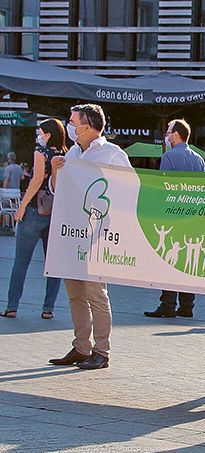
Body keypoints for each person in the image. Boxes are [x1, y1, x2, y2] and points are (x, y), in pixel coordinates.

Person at [48, 103, 132, 370]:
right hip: (71, 234)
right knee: (75, 293)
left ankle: (102, 351)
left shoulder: (112, 154)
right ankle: (81, 347)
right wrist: (55, 170)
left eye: (72, 122)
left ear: (86, 125)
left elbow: (130, 189)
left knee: (96, 293)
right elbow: (56, 191)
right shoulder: (72, 152)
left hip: (97, 235)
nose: (70, 126)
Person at [3, 119, 67, 319]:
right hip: (56, 213)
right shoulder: (66, 154)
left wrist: (21, 207)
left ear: (47, 135)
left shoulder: (41, 152)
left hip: (33, 212)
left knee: (21, 261)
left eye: (41, 132)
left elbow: (37, 179)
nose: (39, 136)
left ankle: (12, 306)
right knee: (54, 263)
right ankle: (48, 308)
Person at [144, 119, 205, 319]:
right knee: (188, 262)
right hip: (193, 218)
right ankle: (187, 305)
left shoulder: (169, 156)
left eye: (169, 132)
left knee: (170, 259)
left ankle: (168, 304)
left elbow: (165, 188)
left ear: (176, 134)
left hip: (173, 215)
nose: (167, 135)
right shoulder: (199, 159)